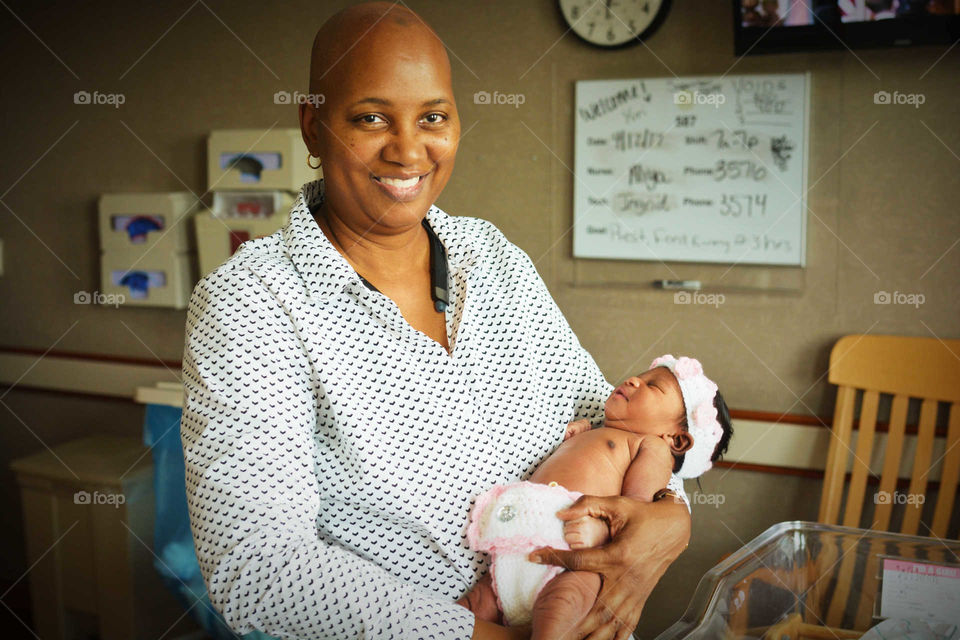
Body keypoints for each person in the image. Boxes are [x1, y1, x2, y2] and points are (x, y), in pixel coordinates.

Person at [180, 3, 692, 639]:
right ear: (313, 126)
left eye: (433, 118)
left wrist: (671, 517)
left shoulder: (494, 258)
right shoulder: (252, 301)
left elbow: (619, 421)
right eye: (371, 118)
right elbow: (258, 568)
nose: (407, 150)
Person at [461, 356, 733, 639]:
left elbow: (635, 510)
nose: (633, 380)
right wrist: (572, 437)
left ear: (676, 439)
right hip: (516, 546)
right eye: (640, 376)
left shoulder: (651, 447)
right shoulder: (596, 430)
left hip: (574, 556)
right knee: (471, 608)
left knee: (560, 606)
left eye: (652, 386)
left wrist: (601, 530)